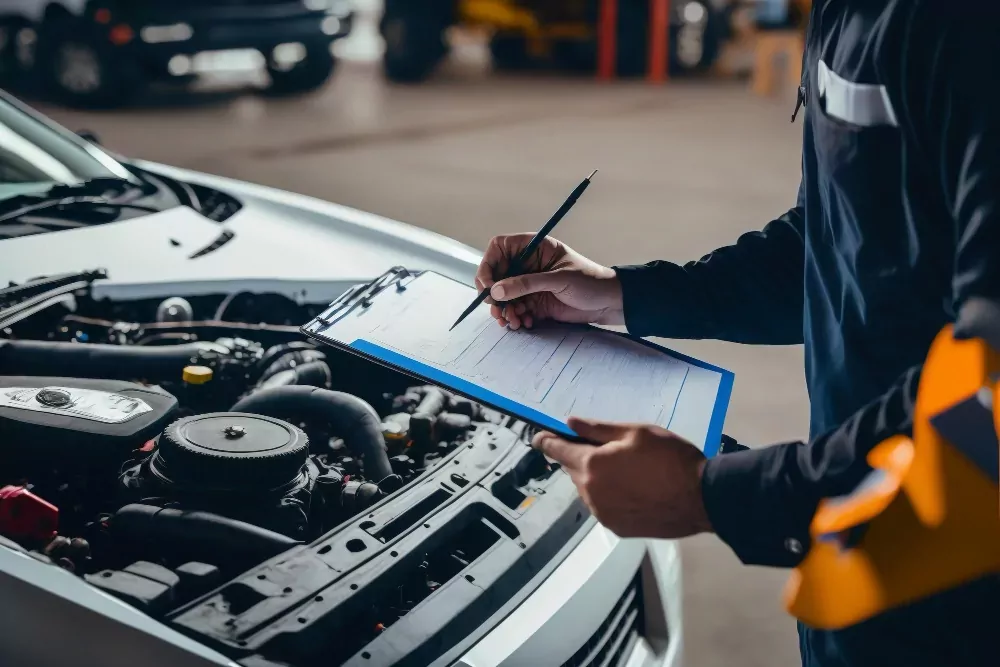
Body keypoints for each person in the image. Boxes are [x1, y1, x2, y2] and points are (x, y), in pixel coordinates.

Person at [474, 3, 999, 666]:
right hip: (855, 563)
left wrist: (715, 494)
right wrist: (622, 294)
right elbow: (839, 241)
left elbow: (990, 411)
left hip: (963, 600)